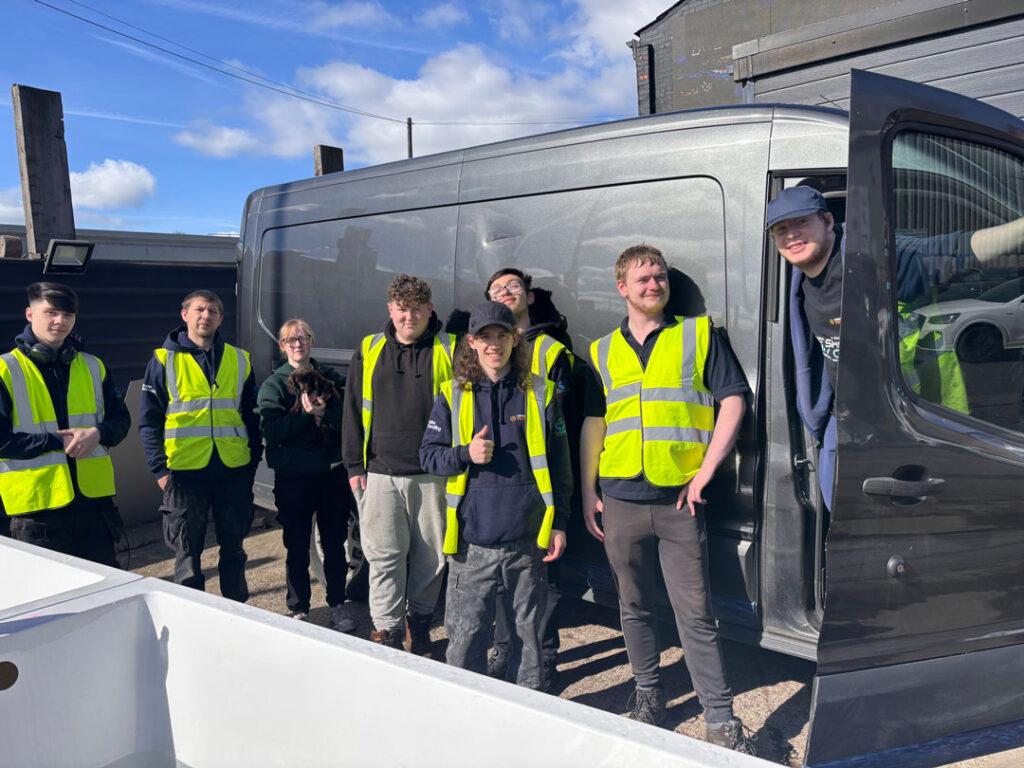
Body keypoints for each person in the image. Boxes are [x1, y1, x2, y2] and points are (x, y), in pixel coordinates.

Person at [579, 245, 755, 754]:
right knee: (633, 606)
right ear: (622, 287)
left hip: (680, 501)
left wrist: (707, 470)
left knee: (695, 614)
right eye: (643, 278)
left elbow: (733, 400)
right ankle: (648, 694)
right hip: (620, 498)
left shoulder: (699, 334)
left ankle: (720, 718)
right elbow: (596, 424)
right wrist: (590, 489)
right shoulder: (601, 350)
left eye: (659, 277)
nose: (653, 284)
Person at [772, 186, 1024, 505]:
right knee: (840, 518)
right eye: (781, 229)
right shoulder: (802, 285)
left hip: (899, 420)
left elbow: (956, 250)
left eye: (802, 223)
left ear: (828, 221)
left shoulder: (874, 261)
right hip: (845, 420)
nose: (792, 235)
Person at [420, 300, 571, 690]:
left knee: (529, 646)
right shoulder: (453, 394)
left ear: (515, 338)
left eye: (501, 335)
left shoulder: (541, 391)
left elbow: (560, 466)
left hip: (528, 542)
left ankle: (528, 717)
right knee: (466, 642)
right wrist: (464, 454)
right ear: (471, 342)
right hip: (473, 546)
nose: (493, 345)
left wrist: (560, 524)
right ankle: (465, 722)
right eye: (484, 337)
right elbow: (429, 456)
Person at [341, 274, 455, 653]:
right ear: (390, 309)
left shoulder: (450, 348)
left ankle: (419, 626)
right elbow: (352, 408)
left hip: (434, 473)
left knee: (432, 559)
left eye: (417, 309)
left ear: (430, 309)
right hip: (380, 472)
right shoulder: (370, 348)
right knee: (384, 557)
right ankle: (387, 632)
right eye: (402, 309)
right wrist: (354, 465)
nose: (410, 316)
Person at [481, 268, 580, 688]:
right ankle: (504, 646)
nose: (506, 294)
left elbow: (564, 428)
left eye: (513, 288)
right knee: (502, 578)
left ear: (530, 296)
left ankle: (543, 659)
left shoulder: (553, 352)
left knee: (542, 582)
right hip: (495, 483)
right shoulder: (484, 349)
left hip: (537, 486)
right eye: (497, 290)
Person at [139, 289, 262, 602]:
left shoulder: (239, 358)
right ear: (185, 315)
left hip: (232, 470)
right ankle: (192, 618)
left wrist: (251, 463)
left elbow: (252, 417)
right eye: (199, 310)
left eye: (212, 311)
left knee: (234, 550)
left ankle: (238, 612)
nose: (205, 316)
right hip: (183, 473)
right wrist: (159, 470)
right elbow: (148, 421)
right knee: (187, 555)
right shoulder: (163, 360)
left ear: (221, 318)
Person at [0, 282, 130, 566]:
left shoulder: (94, 366)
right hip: (36, 514)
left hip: (94, 508)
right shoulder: (5, 370)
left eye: (68, 315)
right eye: (51, 313)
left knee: (104, 598)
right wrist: (57, 441)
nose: (60, 321)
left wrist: (98, 433)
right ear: (29, 314)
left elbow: (121, 421)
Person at [257, 318, 357, 631]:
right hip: (294, 478)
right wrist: (304, 414)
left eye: (302, 338)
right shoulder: (274, 385)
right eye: (290, 340)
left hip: (331, 476)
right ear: (282, 346)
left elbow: (350, 418)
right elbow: (271, 431)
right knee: (297, 546)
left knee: (334, 543)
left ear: (311, 342)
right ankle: (299, 608)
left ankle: (338, 604)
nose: (297, 344)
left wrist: (326, 412)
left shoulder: (330, 377)